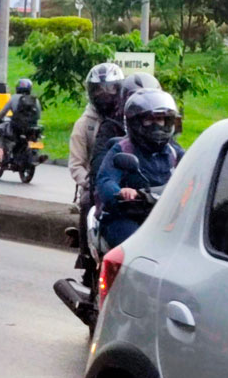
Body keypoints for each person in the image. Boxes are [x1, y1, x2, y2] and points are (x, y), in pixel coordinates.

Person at [95, 89, 183, 249]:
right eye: (150, 120)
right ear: (136, 122)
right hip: (126, 216)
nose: (157, 126)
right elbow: (105, 180)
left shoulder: (173, 152)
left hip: (165, 216)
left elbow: (196, 172)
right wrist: (120, 192)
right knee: (135, 248)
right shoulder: (122, 149)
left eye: (160, 120)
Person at [68, 63, 124, 207]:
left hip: (127, 182)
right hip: (94, 185)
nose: (104, 94)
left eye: (110, 88)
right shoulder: (84, 125)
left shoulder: (128, 118)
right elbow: (76, 165)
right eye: (98, 90)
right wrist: (93, 182)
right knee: (87, 201)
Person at [89, 72, 160, 179]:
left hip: (160, 191)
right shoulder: (111, 127)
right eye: (139, 102)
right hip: (124, 190)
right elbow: (99, 169)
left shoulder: (162, 130)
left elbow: (179, 158)